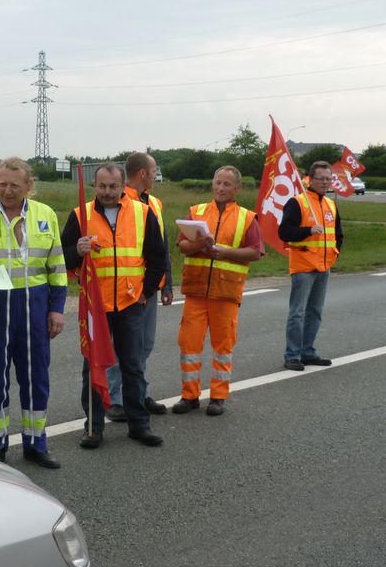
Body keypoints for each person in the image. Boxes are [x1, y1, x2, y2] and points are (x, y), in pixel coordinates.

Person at [0, 157, 67, 469]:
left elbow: (57, 266)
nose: (7, 190)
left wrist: (57, 309)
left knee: (37, 378)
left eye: (14, 186)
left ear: (28, 186)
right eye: (2, 184)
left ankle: (36, 443)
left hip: (35, 307)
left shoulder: (45, 215)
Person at [61, 163, 167, 449]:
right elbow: (61, 257)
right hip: (96, 307)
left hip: (131, 303)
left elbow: (159, 257)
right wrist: (77, 251)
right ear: (95, 185)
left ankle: (139, 425)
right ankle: (93, 428)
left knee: (133, 366)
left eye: (113, 186)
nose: (107, 192)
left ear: (123, 186)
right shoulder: (79, 215)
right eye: (102, 186)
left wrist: (145, 292)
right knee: (93, 367)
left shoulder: (142, 213)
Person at [172, 165, 264, 416]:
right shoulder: (196, 211)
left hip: (226, 292)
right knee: (189, 345)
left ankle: (218, 397)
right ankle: (189, 396)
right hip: (196, 290)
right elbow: (181, 246)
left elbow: (256, 251)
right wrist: (199, 243)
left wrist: (224, 251)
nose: (220, 188)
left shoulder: (247, 217)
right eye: (217, 182)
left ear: (237, 188)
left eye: (226, 184)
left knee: (223, 347)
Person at [105, 152, 174, 423]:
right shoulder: (120, 200)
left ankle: (138, 392)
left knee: (144, 345)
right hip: (125, 288)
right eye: (154, 170)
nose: (156, 175)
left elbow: (162, 247)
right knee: (120, 346)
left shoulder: (154, 203)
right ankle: (115, 399)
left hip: (148, 286)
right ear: (143, 173)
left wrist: (166, 281)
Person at [278, 160, 343, 370]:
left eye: (328, 178)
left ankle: (308, 352)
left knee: (315, 311)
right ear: (310, 179)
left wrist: (335, 253)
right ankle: (293, 355)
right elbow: (284, 232)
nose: (325, 182)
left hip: (324, 265)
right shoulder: (297, 202)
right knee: (297, 313)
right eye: (321, 178)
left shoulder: (331, 204)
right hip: (304, 265)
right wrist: (307, 231)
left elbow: (338, 234)